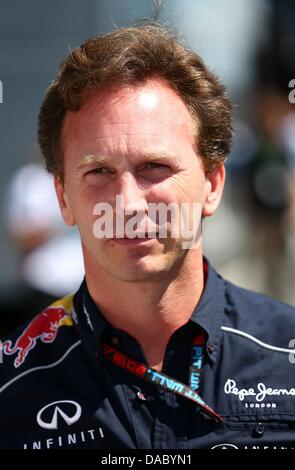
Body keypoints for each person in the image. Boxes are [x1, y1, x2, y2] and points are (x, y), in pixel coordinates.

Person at [0, 23, 295, 450]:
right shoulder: (11, 386)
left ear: (212, 184)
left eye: (155, 167)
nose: (127, 204)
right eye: (98, 171)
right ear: (62, 197)